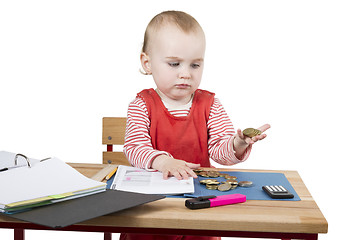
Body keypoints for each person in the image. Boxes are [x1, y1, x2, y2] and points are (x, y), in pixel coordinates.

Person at [121, 10, 270, 240]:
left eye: (195, 65)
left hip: (199, 205)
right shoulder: (141, 104)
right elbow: (134, 148)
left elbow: (220, 152)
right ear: (147, 62)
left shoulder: (210, 104)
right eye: (174, 63)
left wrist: (238, 143)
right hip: (152, 209)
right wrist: (163, 161)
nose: (185, 74)